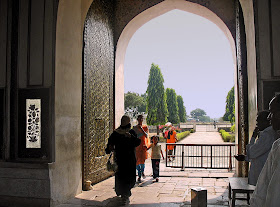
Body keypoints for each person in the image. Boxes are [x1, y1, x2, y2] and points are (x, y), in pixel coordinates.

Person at [250, 94, 280, 206]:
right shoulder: (277, 143)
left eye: (273, 112)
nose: (269, 117)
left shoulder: (269, 137)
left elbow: (252, 153)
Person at [105, 115, 141, 205]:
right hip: (120, 159)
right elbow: (109, 144)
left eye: (125, 120)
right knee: (120, 177)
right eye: (122, 120)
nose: (123, 121)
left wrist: (131, 137)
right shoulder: (116, 133)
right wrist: (109, 147)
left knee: (128, 177)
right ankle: (123, 194)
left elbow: (137, 142)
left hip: (129, 160)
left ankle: (125, 194)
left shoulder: (131, 132)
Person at [234, 110, 276, 185]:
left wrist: (253, 138)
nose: (257, 124)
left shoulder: (267, 135)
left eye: (258, 121)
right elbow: (259, 154)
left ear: (266, 122)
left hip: (262, 172)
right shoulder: (268, 134)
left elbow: (252, 153)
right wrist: (245, 158)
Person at [133, 114, 150, 182]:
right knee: (137, 161)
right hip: (137, 147)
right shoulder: (134, 128)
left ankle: (142, 171)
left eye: (141, 118)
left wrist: (142, 129)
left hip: (143, 146)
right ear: (137, 119)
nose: (140, 120)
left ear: (143, 119)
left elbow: (146, 136)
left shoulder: (145, 127)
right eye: (139, 119)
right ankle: (139, 174)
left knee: (142, 160)